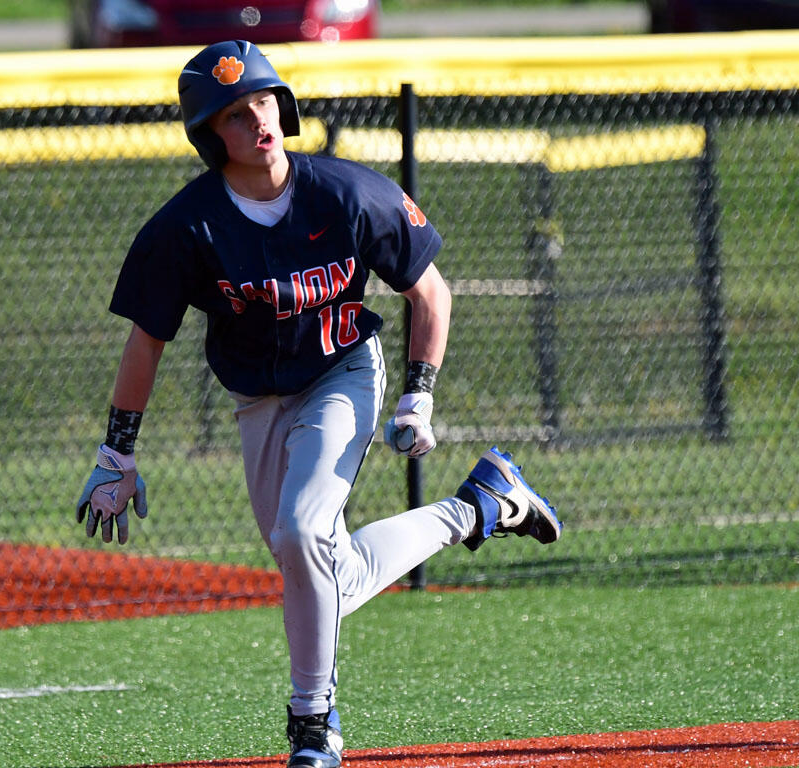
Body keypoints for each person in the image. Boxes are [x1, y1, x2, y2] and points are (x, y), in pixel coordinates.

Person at [75, 40, 563, 768]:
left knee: (303, 533)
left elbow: (429, 291)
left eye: (264, 102)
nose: (258, 121)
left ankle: (314, 724)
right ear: (212, 136)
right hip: (257, 401)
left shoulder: (346, 193)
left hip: (341, 375)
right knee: (307, 560)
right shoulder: (186, 227)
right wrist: (119, 452)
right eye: (236, 114)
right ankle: (481, 505)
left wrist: (418, 395)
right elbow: (146, 342)